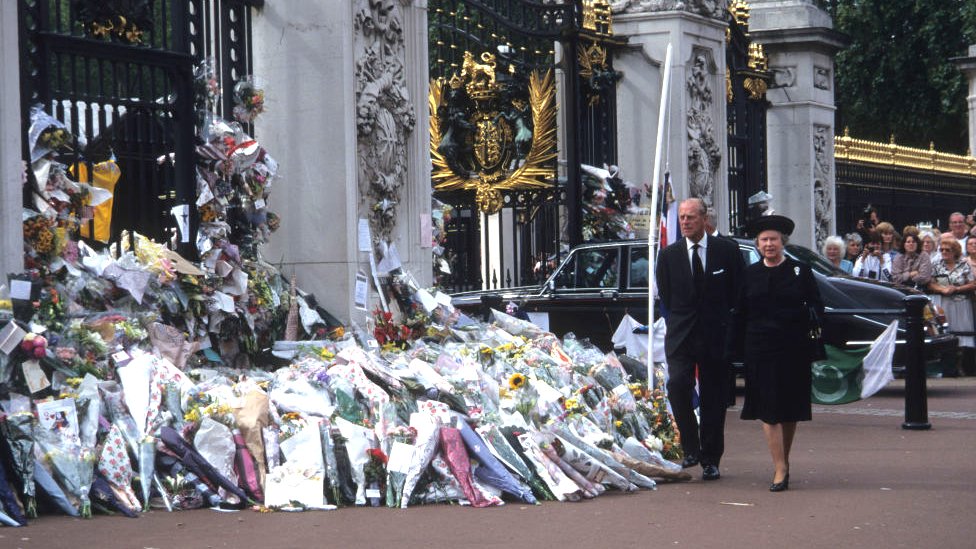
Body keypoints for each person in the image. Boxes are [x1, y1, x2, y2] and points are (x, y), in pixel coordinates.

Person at [730, 214, 822, 492]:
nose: (769, 244)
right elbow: (740, 313)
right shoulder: (749, 274)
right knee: (768, 409)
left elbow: (817, 306)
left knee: (789, 408)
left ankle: (784, 459)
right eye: (763, 240)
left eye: (773, 239)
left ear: (782, 242)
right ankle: (779, 467)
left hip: (793, 348)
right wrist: (734, 349)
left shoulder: (800, 271)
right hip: (760, 348)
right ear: (757, 245)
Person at [656, 197, 744, 481]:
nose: (684, 222)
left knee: (713, 400)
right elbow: (667, 296)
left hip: (715, 335)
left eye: (690, 217)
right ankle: (691, 447)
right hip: (682, 335)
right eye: (681, 217)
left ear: (704, 219)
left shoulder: (726, 251)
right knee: (678, 384)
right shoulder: (669, 256)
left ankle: (711, 458)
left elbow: (737, 292)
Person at [929, 238, 976, 376]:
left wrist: (957, 288)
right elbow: (930, 283)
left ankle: (961, 367)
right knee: (946, 334)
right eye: (941, 250)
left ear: (955, 251)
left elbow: (973, 284)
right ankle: (947, 368)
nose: (944, 252)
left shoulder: (963, 264)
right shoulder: (936, 264)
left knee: (963, 336)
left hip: (961, 303)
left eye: (947, 250)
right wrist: (942, 289)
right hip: (944, 303)